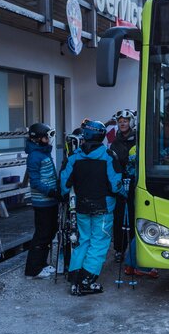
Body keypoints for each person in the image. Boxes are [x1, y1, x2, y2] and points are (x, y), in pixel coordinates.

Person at [60, 119, 121, 296]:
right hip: (103, 207)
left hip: (82, 207)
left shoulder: (74, 157)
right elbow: (116, 184)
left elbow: (64, 184)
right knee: (99, 242)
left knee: (83, 240)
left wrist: (65, 196)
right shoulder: (108, 156)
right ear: (101, 136)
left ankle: (75, 278)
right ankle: (86, 280)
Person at [24, 122, 59, 279]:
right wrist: (51, 191)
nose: (49, 139)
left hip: (51, 201)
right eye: (46, 136)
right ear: (37, 139)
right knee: (42, 234)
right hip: (42, 202)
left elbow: (50, 175)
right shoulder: (34, 156)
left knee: (51, 231)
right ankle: (33, 269)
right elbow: (35, 181)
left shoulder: (44, 152)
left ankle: (42, 263)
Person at [120, 144, 158, 279]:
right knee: (146, 228)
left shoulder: (134, 148)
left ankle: (131, 264)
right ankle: (141, 266)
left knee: (141, 228)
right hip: (145, 192)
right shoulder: (149, 147)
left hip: (135, 192)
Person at [108, 109, 137, 261]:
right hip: (120, 184)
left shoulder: (138, 139)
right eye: (120, 122)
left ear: (131, 122)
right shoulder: (115, 142)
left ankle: (134, 249)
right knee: (119, 217)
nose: (122, 124)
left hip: (135, 182)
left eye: (125, 121)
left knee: (133, 215)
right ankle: (119, 249)